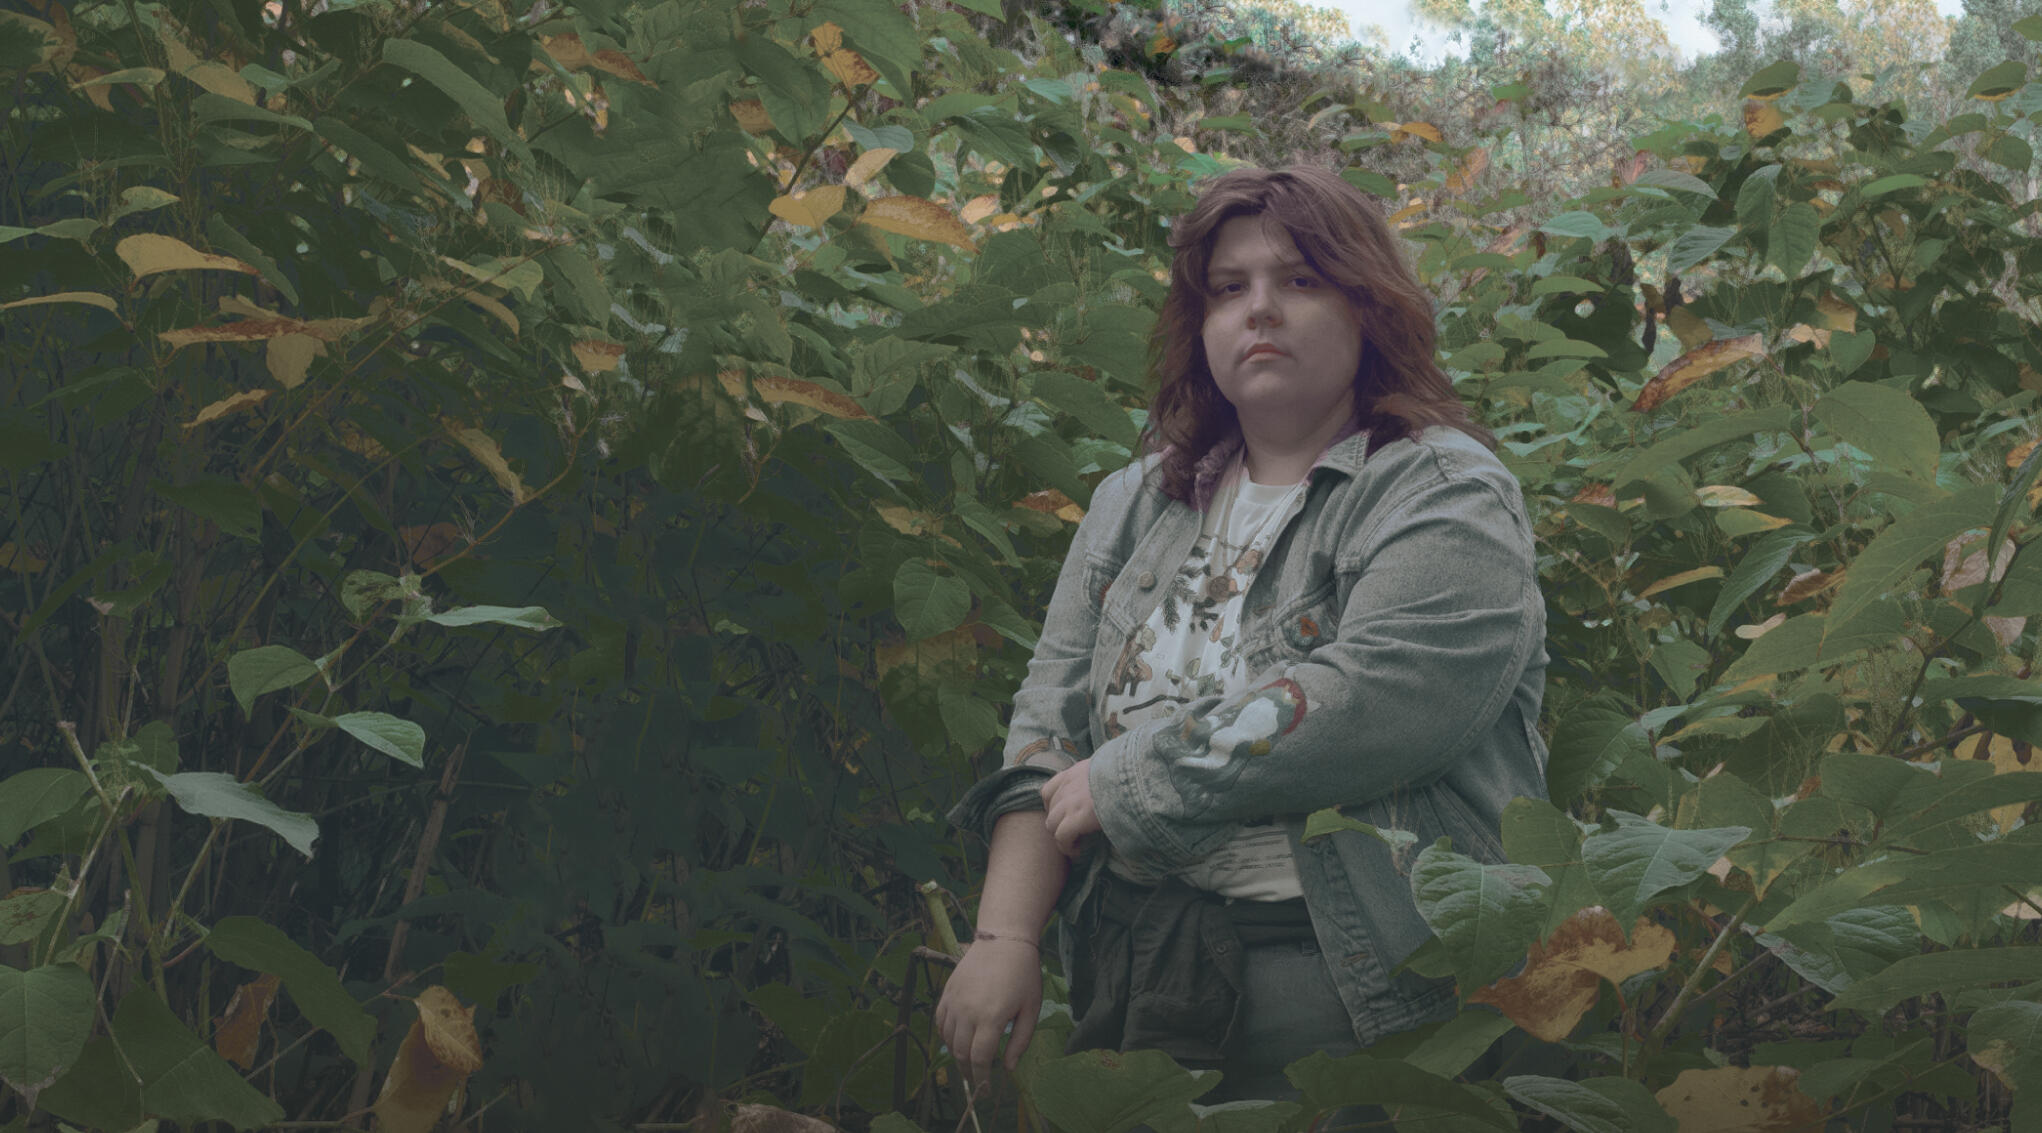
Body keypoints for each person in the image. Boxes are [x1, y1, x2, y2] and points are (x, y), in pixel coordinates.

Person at [933, 165, 1548, 1103]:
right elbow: (1046, 723)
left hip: (1354, 990)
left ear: (1368, 308)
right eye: (1229, 288)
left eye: (1301, 279)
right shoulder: (1134, 503)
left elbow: (1381, 695)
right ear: (1202, 323)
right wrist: (1003, 936)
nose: (1260, 308)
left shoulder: (1442, 491)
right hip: (1135, 970)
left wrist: (1131, 777)